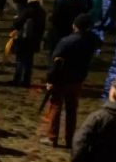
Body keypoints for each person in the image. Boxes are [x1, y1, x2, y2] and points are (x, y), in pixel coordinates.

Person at [43, 15, 102, 147]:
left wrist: (50, 79)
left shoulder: (66, 41)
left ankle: (52, 137)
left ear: (75, 26)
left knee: (56, 105)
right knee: (72, 109)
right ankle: (70, 139)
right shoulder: (92, 40)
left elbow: (56, 61)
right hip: (77, 79)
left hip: (62, 78)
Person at [11, 0, 47, 87]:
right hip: (34, 40)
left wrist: (15, 19)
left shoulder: (27, 10)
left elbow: (17, 24)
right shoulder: (42, 12)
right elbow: (42, 28)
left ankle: (17, 79)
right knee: (29, 61)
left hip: (23, 39)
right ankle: (26, 81)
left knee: (20, 59)